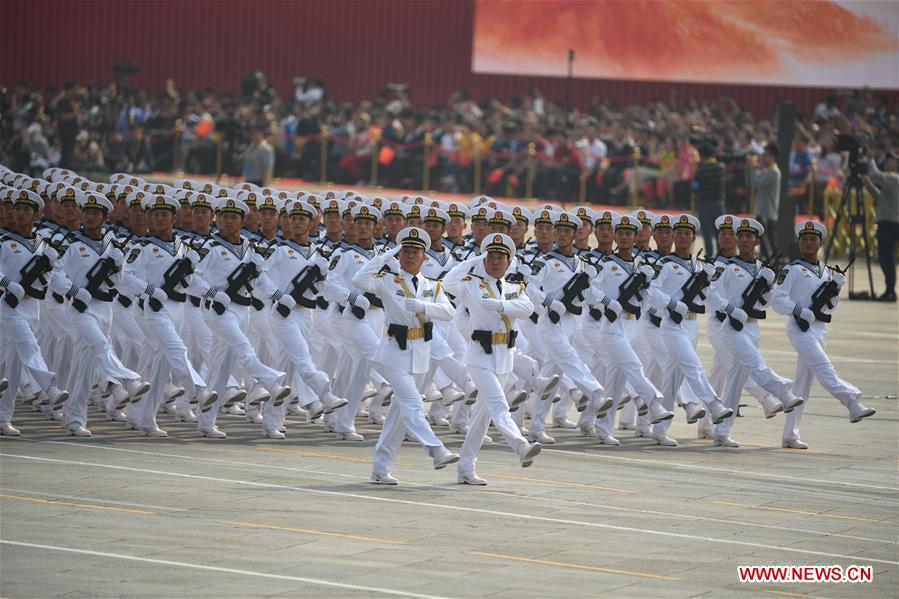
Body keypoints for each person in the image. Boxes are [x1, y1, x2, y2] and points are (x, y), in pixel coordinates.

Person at [353, 226, 460, 485]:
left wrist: (424, 306)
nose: (410, 256)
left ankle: (380, 468)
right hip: (393, 352)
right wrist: (382, 258)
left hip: (420, 352)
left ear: (425, 257)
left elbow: (449, 312)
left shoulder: (432, 287)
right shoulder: (388, 280)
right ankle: (436, 450)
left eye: (416, 252)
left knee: (398, 417)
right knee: (412, 404)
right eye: (406, 251)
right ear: (399, 255)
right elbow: (358, 281)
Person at [443, 233, 542, 485]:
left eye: (501, 257)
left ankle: (466, 467)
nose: (496, 262)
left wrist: (500, 305)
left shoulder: (513, 289)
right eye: (491, 257)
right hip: (479, 355)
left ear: (509, 262)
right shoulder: (471, 283)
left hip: (504, 358)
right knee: (499, 405)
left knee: (481, 417)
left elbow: (528, 308)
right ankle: (520, 446)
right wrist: (474, 259)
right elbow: (447, 283)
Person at [771, 220, 875, 448]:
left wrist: (836, 288)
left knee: (802, 385)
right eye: (805, 239)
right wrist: (799, 310)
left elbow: (830, 307)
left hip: (820, 328)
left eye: (813, 239)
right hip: (800, 328)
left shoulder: (828, 272)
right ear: (799, 243)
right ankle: (852, 402)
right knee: (824, 368)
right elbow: (777, 299)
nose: (809, 243)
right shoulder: (792, 270)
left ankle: (790, 434)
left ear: (820, 243)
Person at [706, 217, 804, 447]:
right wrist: (731, 309)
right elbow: (712, 294)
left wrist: (771, 286)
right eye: (741, 236)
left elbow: (771, 302)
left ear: (756, 241)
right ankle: (783, 393)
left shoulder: (762, 269)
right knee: (755, 364)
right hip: (731, 327)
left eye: (749, 237)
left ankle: (721, 431)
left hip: (752, 326)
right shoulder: (725, 267)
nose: (744, 240)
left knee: (735, 382)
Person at [0, 189, 69, 436]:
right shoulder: (4, 242)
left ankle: (3, 417)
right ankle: (50, 387)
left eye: (26, 210)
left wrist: (47, 273)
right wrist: (9, 283)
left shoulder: (44, 248)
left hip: (32, 307)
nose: (19, 214)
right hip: (7, 306)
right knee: (30, 347)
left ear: (36, 215)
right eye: (17, 209)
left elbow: (52, 278)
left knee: (13, 366)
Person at [864, 153, 898, 302]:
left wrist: (871, 158)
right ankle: (889, 289)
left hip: (888, 223)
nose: (886, 162)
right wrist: (870, 186)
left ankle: (890, 290)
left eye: (890, 160)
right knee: (887, 257)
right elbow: (881, 198)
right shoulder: (893, 181)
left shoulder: (892, 177)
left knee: (886, 258)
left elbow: (874, 174)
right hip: (892, 221)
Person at [748, 143, 781, 258]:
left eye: (766, 156)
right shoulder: (769, 170)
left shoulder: (773, 172)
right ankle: (770, 262)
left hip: (767, 212)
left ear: (773, 157)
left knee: (768, 241)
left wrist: (752, 168)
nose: (763, 158)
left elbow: (756, 184)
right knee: (765, 240)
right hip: (764, 210)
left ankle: (774, 263)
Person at [693, 144, 726, 254]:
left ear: (703, 156)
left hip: (704, 204)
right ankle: (721, 256)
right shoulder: (721, 168)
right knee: (719, 233)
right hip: (719, 204)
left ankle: (710, 258)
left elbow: (694, 187)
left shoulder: (701, 170)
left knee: (707, 234)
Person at [242, 123, 275, 188]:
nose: (254, 136)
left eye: (256, 133)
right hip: (249, 179)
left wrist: (266, 184)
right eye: (252, 134)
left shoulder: (266, 149)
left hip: (259, 180)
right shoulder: (250, 147)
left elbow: (268, 167)